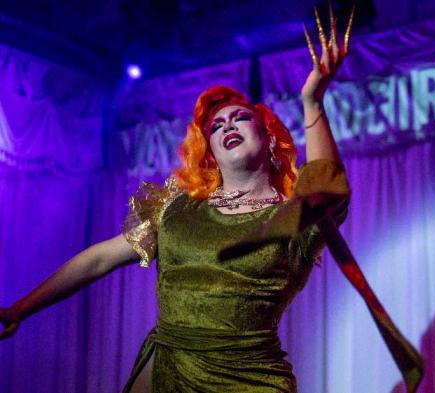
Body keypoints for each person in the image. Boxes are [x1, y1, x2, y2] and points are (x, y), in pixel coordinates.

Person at [0, 7, 354, 392]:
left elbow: (328, 187)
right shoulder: (176, 209)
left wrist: (312, 101)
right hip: (168, 374)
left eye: (240, 118)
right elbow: (98, 259)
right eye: (216, 126)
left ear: (269, 140)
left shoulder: (294, 219)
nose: (227, 126)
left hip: (251, 380)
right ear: (211, 153)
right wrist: (21, 307)